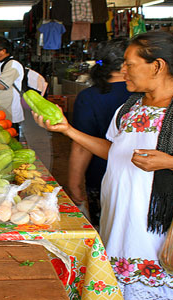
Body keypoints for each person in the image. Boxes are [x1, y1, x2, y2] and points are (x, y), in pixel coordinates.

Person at [34, 31, 173, 299]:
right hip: (121, 220)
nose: (123, 70)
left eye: (129, 63)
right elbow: (115, 152)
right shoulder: (131, 106)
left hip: (167, 229)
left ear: (157, 65)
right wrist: (68, 130)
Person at [66, 38, 132, 227]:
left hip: (101, 176)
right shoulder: (149, 96)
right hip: (143, 177)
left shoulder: (89, 97)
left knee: (104, 229)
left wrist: (75, 184)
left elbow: (81, 146)